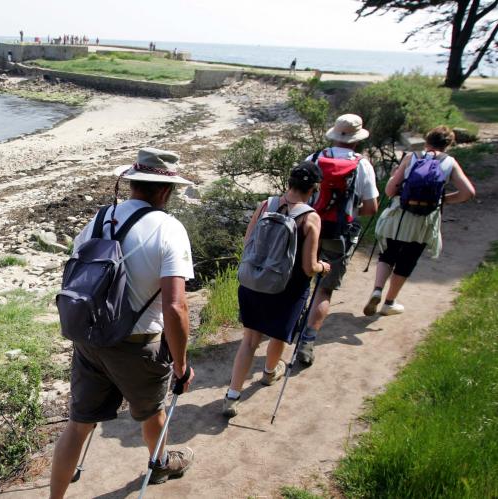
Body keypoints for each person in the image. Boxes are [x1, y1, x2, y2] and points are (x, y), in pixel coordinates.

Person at [50, 148, 196, 498]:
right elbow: (175, 306)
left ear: (132, 183)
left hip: (91, 338)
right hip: (136, 345)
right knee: (151, 411)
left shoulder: (99, 219)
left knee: (78, 424)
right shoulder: (169, 229)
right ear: (165, 190)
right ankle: (160, 464)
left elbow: (75, 272)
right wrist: (181, 364)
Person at [223, 162, 330, 417]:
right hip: (287, 290)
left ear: (289, 182)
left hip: (253, 283)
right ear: (315, 188)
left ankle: (232, 396)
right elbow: (308, 267)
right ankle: (270, 373)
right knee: (279, 336)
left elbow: (248, 244)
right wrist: (323, 267)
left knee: (249, 340)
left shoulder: (265, 205)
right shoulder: (310, 217)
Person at [363, 126, 475, 316]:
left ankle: (377, 290)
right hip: (425, 220)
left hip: (400, 215)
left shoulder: (412, 157)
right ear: (448, 145)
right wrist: (443, 199)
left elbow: (390, 191)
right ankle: (389, 303)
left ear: (427, 141)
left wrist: (394, 177)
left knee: (388, 254)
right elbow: (468, 193)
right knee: (408, 260)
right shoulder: (450, 162)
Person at [298, 114, 380, 366]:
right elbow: (371, 208)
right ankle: (308, 341)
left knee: (301, 279)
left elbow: (297, 196)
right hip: (339, 234)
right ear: (356, 141)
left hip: (308, 226)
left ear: (334, 134)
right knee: (324, 288)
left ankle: (292, 323)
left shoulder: (313, 159)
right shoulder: (362, 165)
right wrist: (349, 213)